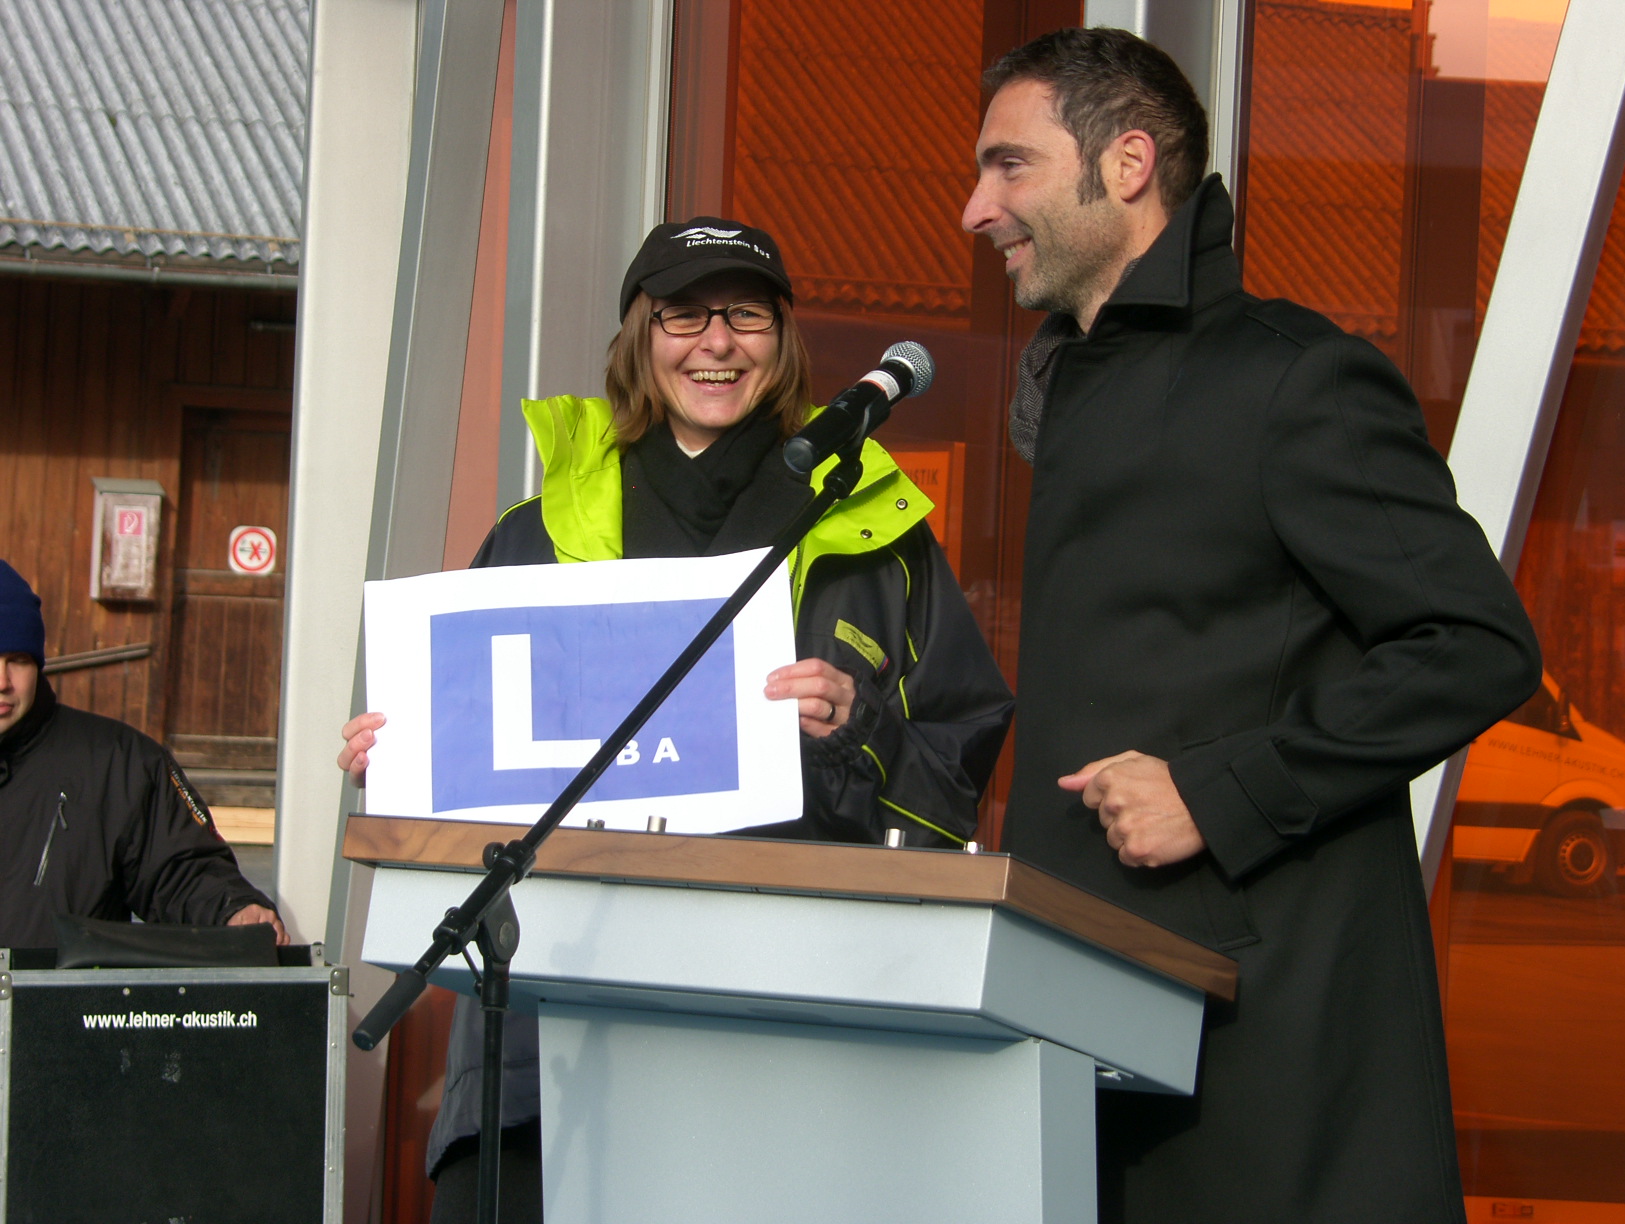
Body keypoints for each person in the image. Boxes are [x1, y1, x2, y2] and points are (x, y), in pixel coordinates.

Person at [961, 28, 1541, 1224]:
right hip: (1090, 1010)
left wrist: (1215, 792)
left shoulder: (1293, 378)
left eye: (1009, 166)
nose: (978, 209)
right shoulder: (1068, 386)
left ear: (1127, 164)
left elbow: (1476, 644)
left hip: (1257, 1052)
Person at [339, 217, 1014, 1222]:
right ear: (639, 339)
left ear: (782, 339)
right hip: (554, 1043)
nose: (716, 341)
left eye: (745, 313)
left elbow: (953, 793)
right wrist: (399, 764)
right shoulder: (534, 537)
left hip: (795, 1036)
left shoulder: (881, 542)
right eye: (683, 315)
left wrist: (861, 724)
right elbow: (465, 797)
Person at [0, 560, 287, 949]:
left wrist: (231, 909)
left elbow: (179, 872)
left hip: (61, 989)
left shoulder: (117, 762)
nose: (3, 682)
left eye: (18, 660)